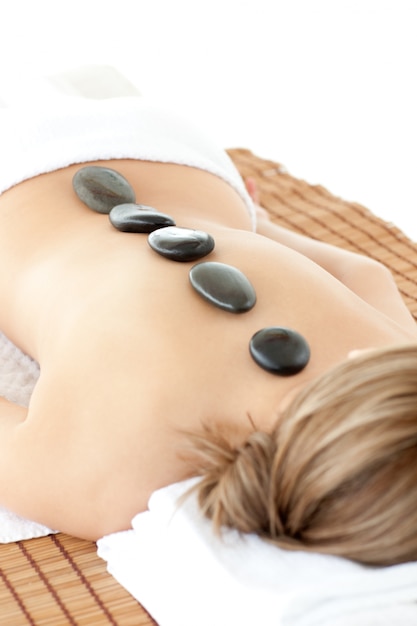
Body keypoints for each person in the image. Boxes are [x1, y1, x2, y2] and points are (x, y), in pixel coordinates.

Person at [0, 95, 416, 567]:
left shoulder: (394, 352)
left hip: (167, 145)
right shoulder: (104, 484)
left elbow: (365, 273)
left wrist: (263, 227)